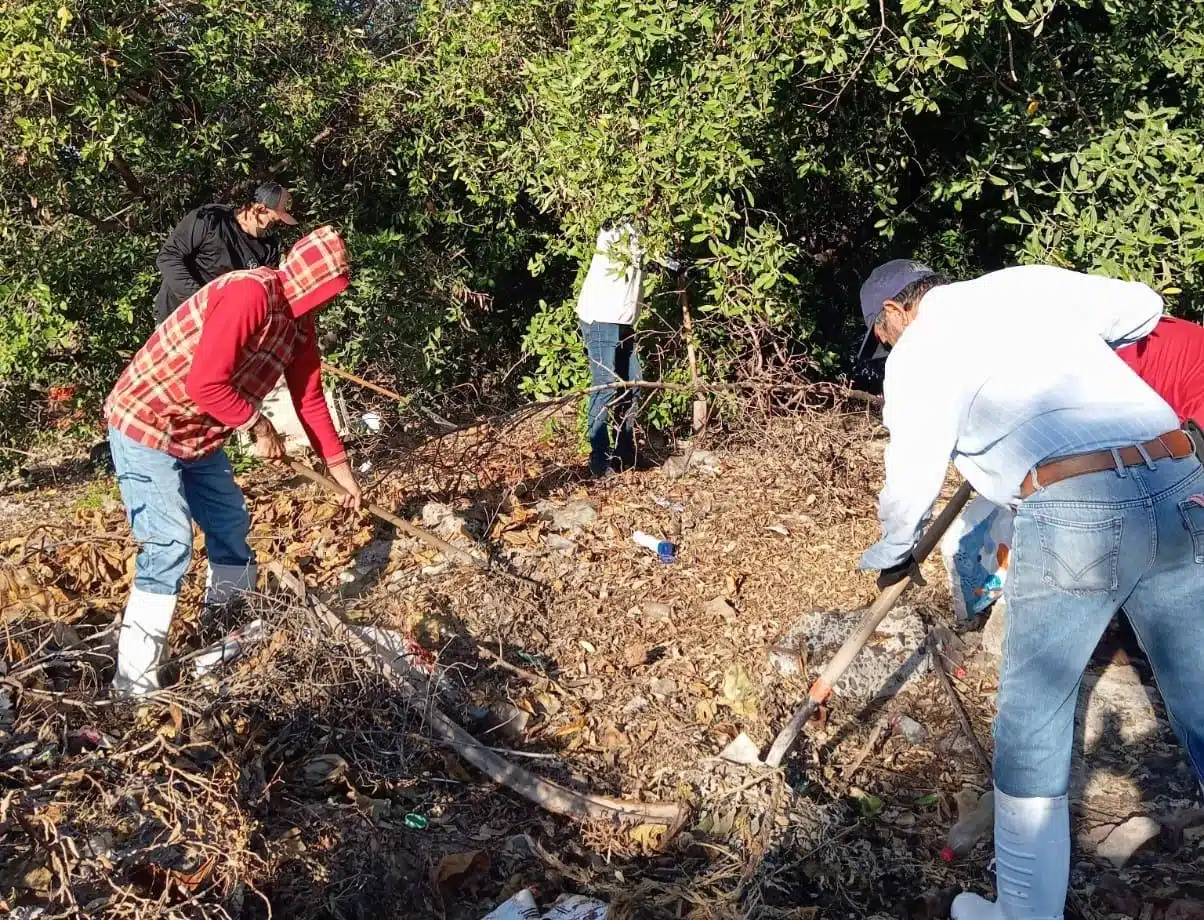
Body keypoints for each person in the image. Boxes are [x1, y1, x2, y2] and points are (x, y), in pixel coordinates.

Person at [855, 259, 1204, 919]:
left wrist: (894, 552)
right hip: (1177, 474)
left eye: (884, 337)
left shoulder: (919, 350)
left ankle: (1021, 912)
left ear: (892, 316)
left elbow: (911, 474)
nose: (889, 348)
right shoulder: (1021, 286)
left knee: (1033, 717)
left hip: (1074, 501)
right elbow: (1143, 306)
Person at [104, 225, 362, 698]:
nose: (328, 299)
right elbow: (205, 382)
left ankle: (221, 640)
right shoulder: (251, 295)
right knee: (169, 544)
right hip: (147, 419)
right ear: (310, 280)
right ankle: (134, 687)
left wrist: (341, 473)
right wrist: (258, 425)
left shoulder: (300, 324)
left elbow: (309, 397)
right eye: (328, 288)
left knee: (229, 526)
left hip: (200, 432)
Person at [153, 181, 297, 324]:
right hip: (175, 315)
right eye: (274, 221)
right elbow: (168, 257)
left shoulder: (268, 247)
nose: (275, 227)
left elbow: (265, 292)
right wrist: (201, 301)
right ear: (259, 209)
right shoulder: (211, 218)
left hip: (218, 325)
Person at [576, 221, 646, 478]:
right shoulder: (614, 227)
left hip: (625, 317)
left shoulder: (645, 227)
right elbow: (640, 250)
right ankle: (599, 461)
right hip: (601, 315)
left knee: (634, 383)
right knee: (605, 384)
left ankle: (625, 453)